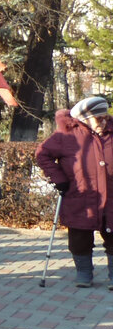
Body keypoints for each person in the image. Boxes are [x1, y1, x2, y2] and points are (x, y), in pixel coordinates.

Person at [35, 95, 113, 288]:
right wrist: (59, 179)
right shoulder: (67, 134)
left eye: (106, 117)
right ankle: (84, 273)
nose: (104, 121)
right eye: (98, 118)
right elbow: (42, 154)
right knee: (79, 236)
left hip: (111, 196)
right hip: (80, 195)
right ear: (84, 119)